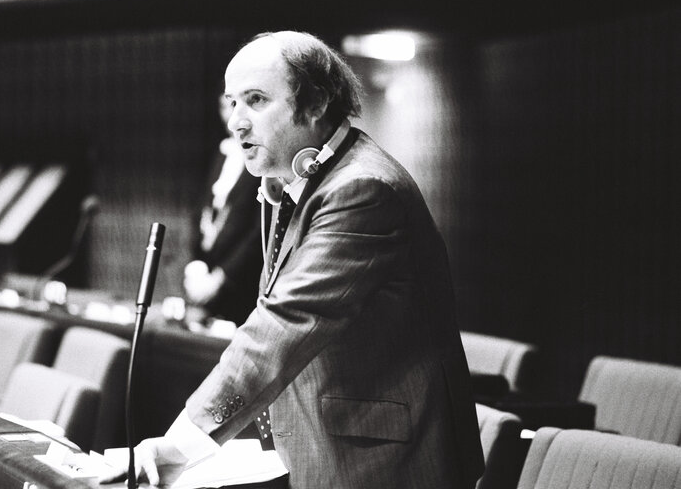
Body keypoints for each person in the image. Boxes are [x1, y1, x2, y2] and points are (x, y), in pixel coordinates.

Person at [116, 31, 484, 488]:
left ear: (315, 104)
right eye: (232, 102)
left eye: (255, 100)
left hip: (387, 463)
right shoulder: (296, 180)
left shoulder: (362, 189)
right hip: (331, 446)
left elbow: (286, 322)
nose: (236, 122)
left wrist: (177, 446)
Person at [183, 93, 262, 326]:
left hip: (240, 283)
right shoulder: (221, 153)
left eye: (234, 105)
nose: (228, 114)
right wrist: (196, 265)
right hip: (207, 272)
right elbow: (203, 210)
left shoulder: (260, 157)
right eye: (223, 106)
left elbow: (257, 233)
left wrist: (221, 278)